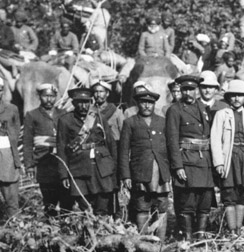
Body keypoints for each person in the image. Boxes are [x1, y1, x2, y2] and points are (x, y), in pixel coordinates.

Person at [165, 75, 215, 241]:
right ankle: (187, 237)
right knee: (187, 202)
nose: (188, 93)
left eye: (191, 89)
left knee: (204, 201)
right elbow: (172, 140)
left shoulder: (203, 108)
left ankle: (200, 237)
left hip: (204, 160)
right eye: (185, 89)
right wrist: (178, 166)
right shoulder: (175, 110)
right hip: (186, 160)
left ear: (197, 90)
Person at [210, 79, 244, 235]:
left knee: (243, 194)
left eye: (240, 95)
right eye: (233, 95)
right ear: (228, 98)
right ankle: (231, 229)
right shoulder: (221, 115)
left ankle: (239, 229)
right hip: (229, 158)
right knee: (229, 194)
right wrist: (219, 163)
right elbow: (215, 140)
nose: (236, 99)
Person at [57, 87, 118, 216]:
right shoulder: (65, 120)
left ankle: (102, 225)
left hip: (101, 168)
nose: (83, 106)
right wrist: (64, 175)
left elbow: (110, 144)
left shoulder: (99, 118)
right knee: (85, 207)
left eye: (86, 102)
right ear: (73, 103)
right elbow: (61, 148)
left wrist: (115, 168)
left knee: (102, 205)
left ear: (90, 102)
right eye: (79, 102)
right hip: (79, 168)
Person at [118, 88, 170, 240]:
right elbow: (123, 152)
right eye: (143, 102)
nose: (147, 106)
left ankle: (160, 242)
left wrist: (170, 172)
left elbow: (170, 148)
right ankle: (143, 241)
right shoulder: (130, 123)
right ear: (137, 104)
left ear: (154, 104)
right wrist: (126, 176)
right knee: (142, 206)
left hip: (160, 172)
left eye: (150, 103)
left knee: (162, 206)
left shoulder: (162, 122)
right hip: (140, 172)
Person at [23, 83, 72, 217]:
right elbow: (27, 142)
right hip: (44, 162)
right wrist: (29, 165)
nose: (49, 99)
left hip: (63, 161)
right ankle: (51, 224)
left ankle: (66, 223)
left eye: (52, 96)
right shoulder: (32, 115)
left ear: (56, 97)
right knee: (49, 200)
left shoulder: (63, 114)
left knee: (66, 198)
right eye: (45, 96)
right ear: (39, 97)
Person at [0, 76, 21, 222]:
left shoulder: (11, 109)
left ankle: (14, 226)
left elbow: (15, 132)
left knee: (11, 199)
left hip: (6, 155)